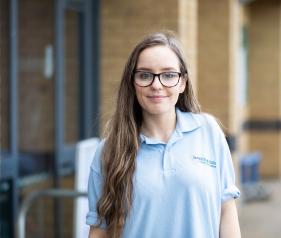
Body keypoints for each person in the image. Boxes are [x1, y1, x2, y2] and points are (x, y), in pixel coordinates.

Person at [86, 31, 241, 238]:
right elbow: (99, 230)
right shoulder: (109, 151)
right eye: (145, 75)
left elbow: (227, 210)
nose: (156, 85)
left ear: (183, 82)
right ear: (132, 83)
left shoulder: (209, 132)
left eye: (168, 75)